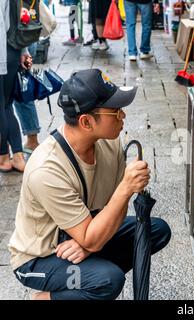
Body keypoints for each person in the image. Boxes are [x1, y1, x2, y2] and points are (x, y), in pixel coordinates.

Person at [8, 69, 171, 300]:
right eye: (115, 111)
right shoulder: (46, 169)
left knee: (155, 230)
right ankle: (45, 298)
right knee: (107, 281)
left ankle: (89, 267)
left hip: (82, 232)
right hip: (39, 258)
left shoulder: (110, 143)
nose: (123, 115)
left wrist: (88, 245)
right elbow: (116, 201)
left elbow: (115, 208)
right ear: (86, 121)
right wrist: (125, 188)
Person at [0, 0, 31, 173]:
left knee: (1, 106)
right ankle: (18, 157)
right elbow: (19, 19)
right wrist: (23, 51)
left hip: (3, 52)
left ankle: (3, 157)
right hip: (13, 50)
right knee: (6, 106)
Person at [13, 43, 41, 154]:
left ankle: (32, 141)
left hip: (19, 44)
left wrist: (23, 49)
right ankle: (32, 140)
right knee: (23, 91)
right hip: (27, 40)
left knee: (22, 92)